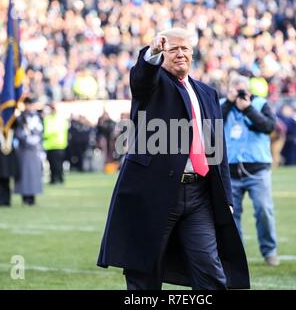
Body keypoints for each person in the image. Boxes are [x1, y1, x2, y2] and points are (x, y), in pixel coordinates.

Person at [97, 28, 250, 290]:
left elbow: (217, 150)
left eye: (185, 48)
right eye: (173, 49)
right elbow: (141, 79)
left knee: (211, 273)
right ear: (163, 54)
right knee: (145, 274)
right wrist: (152, 54)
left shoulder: (207, 93)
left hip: (199, 194)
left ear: (193, 53)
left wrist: (226, 198)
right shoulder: (154, 85)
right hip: (155, 192)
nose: (180, 54)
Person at [220, 74, 279, 266]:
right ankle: (236, 256)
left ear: (249, 90)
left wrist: (248, 109)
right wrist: (229, 103)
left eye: (242, 89)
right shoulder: (221, 104)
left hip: (257, 169)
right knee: (230, 216)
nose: (238, 93)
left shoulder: (261, 104)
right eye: (234, 89)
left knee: (263, 210)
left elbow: (269, 127)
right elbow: (210, 125)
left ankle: (269, 251)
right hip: (229, 170)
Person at [14, 97, 43, 205]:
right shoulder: (21, 117)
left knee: (34, 174)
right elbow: (18, 132)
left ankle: (33, 197)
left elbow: (40, 131)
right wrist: (27, 140)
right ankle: (25, 197)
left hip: (35, 149)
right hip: (24, 149)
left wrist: (37, 141)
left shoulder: (37, 117)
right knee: (25, 174)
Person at [43, 103, 69, 184]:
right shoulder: (51, 119)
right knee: (53, 164)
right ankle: (55, 179)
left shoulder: (55, 119)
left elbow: (49, 132)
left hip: (56, 145)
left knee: (57, 164)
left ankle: (57, 179)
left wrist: (44, 135)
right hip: (52, 145)